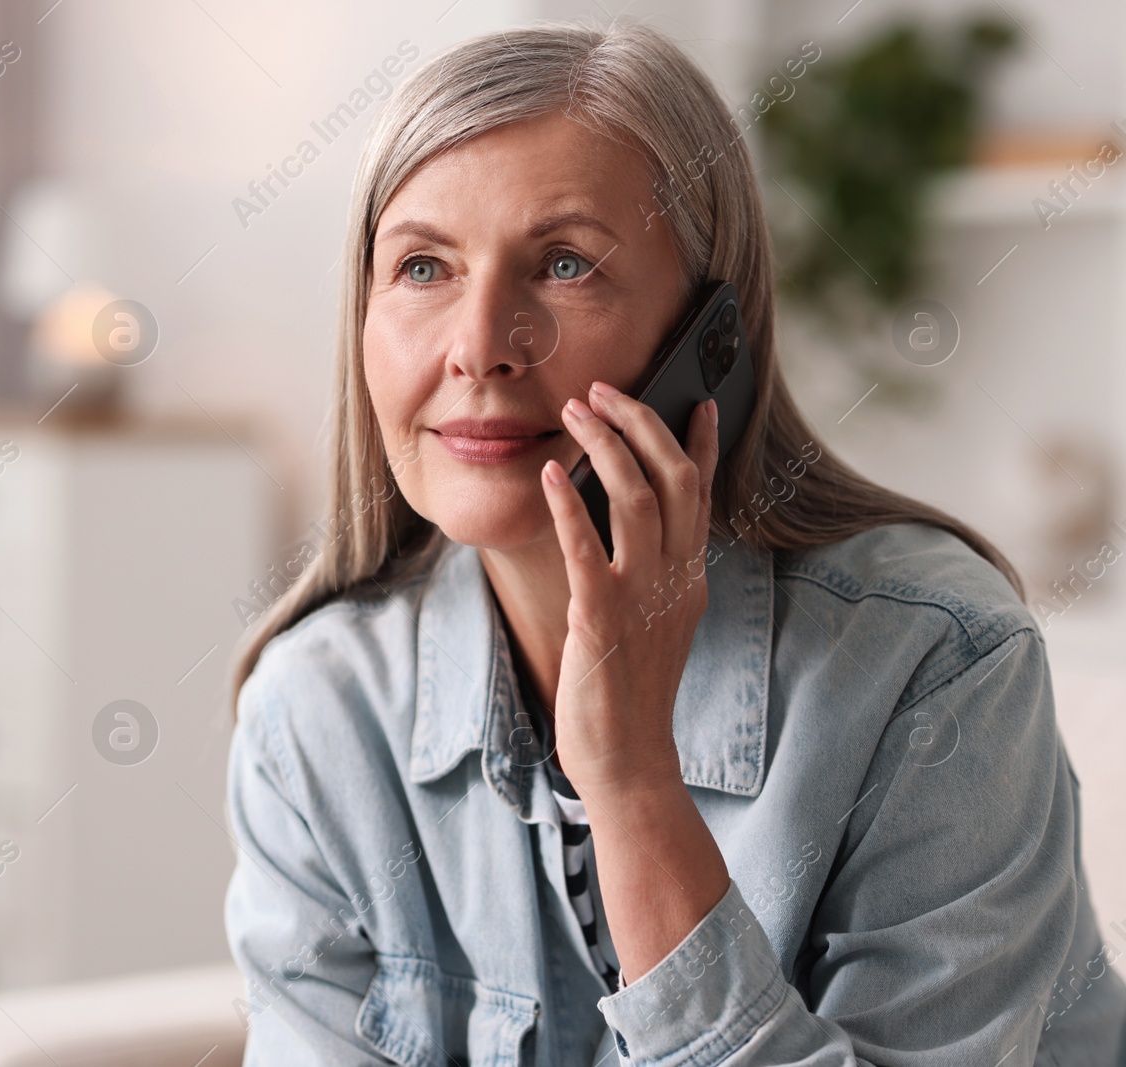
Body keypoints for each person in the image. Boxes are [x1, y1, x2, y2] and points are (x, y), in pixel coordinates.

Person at [223, 22, 1126, 1065]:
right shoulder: (315, 710)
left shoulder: (935, 663)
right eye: (422, 266)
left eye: (563, 264)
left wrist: (633, 781)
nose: (477, 347)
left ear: (712, 341)